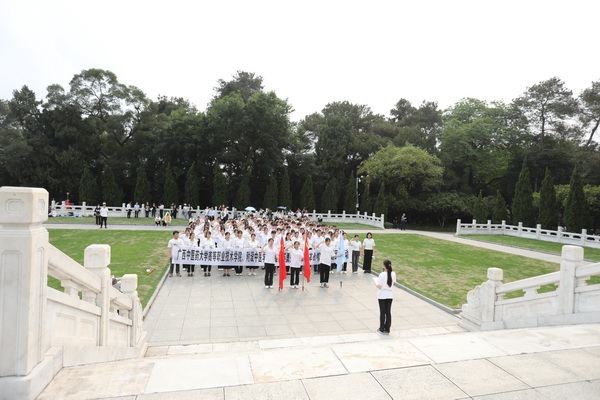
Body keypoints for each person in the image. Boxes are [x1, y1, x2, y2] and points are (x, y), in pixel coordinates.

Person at [375, 259, 396, 334]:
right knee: (388, 312)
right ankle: (387, 328)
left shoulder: (382, 274)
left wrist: (376, 285)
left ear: (384, 266)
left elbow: (379, 286)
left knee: (382, 312)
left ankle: (381, 328)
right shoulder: (393, 274)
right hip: (390, 295)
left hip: (382, 295)